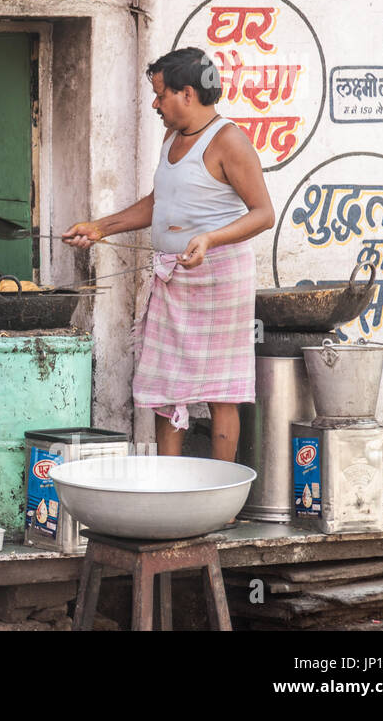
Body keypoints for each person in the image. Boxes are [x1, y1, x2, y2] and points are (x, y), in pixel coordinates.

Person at [62, 47, 275, 462]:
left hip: (220, 277)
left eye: (161, 95)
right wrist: (100, 227)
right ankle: (169, 480)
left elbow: (264, 214)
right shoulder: (171, 138)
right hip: (173, 277)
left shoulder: (229, 140)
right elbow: (158, 202)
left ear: (188, 94)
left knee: (221, 390)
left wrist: (211, 239)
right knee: (164, 385)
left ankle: (222, 492)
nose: (156, 104)